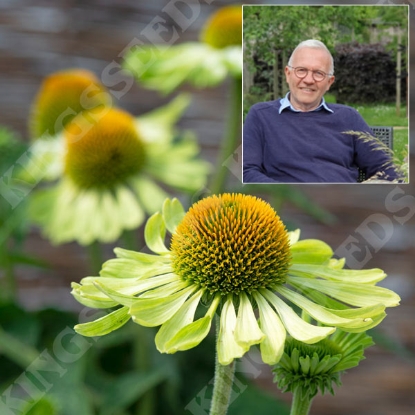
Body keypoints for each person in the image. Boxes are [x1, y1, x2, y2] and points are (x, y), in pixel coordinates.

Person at [243, 39, 401, 183]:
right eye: (301, 70)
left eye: (318, 73)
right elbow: (246, 172)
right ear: (288, 74)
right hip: (287, 207)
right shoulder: (261, 115)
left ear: (329, 82)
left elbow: (387, 170)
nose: (309, 80)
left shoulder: (349, 117)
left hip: (342, 205)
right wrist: (291, 197)